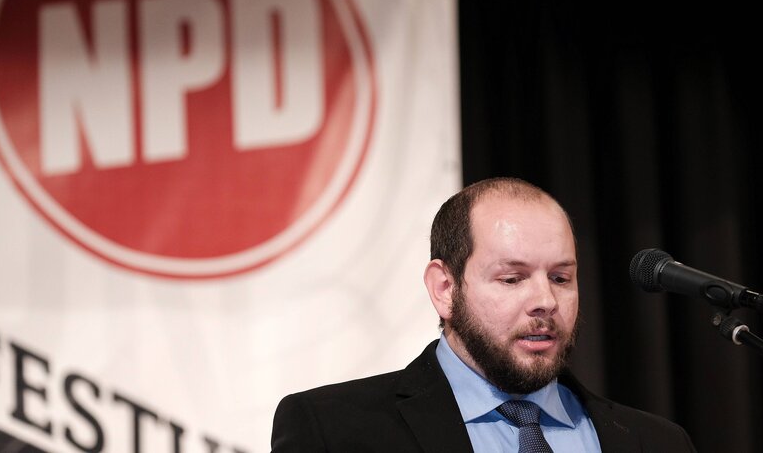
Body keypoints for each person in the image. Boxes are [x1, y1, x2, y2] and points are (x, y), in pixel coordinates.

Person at [271, 177, 696, 452]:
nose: (545, 300)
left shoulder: (658, 442)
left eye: (561, 278)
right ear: (444, 289)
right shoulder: (333, 430)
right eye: (512, 278)